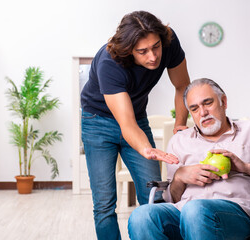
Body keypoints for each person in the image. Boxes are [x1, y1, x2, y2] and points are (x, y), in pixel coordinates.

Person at [128, 78, 250, 240]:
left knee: (195, 211)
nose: (203, 113)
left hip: (237, 213)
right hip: (183, 211)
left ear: (223, 102)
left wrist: (245, 167)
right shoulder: (179, 141)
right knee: (141, 216)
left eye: (208, 103)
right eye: (194, 109)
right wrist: (179, 177)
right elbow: (172, 198)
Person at [80, 11, 190, 240]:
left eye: (155, 47)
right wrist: (146, 149)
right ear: (129, 50)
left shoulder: (168, 41)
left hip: (137, 119)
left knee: (155, 196)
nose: (153, 57)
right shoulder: (110, 62)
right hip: (97, 123)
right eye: (143, 51)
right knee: (104, 203)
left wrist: (180, 125)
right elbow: (126, 124)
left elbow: (182, 87)